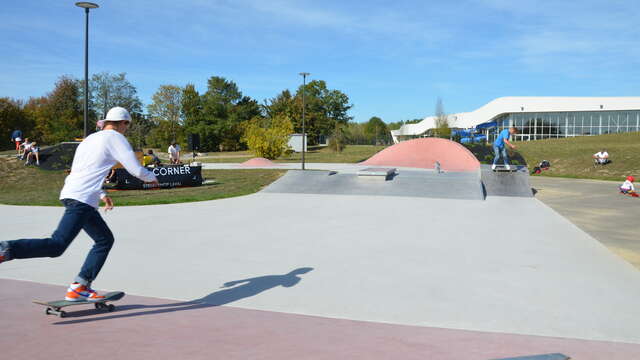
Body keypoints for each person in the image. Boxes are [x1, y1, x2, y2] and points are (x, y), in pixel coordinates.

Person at [0, 107, 159, 301]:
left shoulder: (91, 139)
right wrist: (152, 177)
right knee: (57, 245)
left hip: (75, 195)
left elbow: (86, 170)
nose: (127, 129)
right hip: (81, 199)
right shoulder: (115, 138)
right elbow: (136, 169)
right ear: (123, 123)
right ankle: (7, 249)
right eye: (127, 125)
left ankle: (80, 286)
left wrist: (101, 193)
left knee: (104, 240)